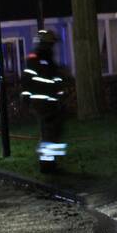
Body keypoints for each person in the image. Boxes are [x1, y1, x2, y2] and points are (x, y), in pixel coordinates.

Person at [21, 30, 69, 173]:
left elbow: (54, 79)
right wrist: (27, 97)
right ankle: (47, 165)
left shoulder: (48, 59)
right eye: (51, 43)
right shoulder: (35, 58)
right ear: (45, 43)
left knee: (53, 132)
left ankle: (49, 163)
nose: (53, 46)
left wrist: (60, 94)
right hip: (42, 103)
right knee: (49, 132)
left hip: (51, 102)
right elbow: (27, 80)